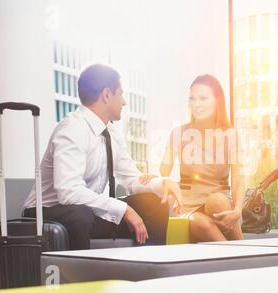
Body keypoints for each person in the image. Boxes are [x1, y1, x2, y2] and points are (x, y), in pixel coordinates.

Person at [23, 64, 183, 250]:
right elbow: (68, 192)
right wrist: (123, 209)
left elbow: (131, 178)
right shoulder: (71, 130)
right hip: (45, 213)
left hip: (86, 213)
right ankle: (80, 277)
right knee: (80, 215)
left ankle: (149, 270)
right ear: (107, 94)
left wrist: (163, 183)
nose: (123, 102)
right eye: (120, 94)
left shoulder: (112, 133)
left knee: (152, 205)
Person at [160, 74, 245, 242]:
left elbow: (238, 181)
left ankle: (241, 248)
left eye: (203, 98)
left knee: (218, 201)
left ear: (217, 101)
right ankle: (243, 259)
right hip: (187, 205)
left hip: (219, 202)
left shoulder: (231, 135)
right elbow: (163, 173)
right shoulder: (178, 134)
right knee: (201, 223)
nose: (196, 104)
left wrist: (237, 210)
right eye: (192, 98)